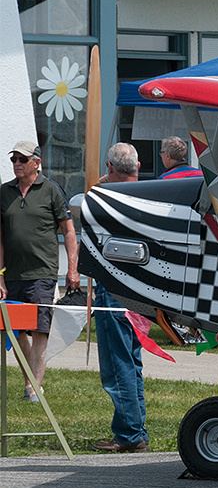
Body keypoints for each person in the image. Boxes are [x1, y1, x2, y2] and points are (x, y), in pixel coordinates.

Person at [0, 140, 80, 401]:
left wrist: (72, 269)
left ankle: (33, 388)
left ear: (37, 162)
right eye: (14, 159)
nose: (17, 164)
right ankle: (30, 382)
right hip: (11, 273)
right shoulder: (4, 192)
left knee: (39, 330)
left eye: (22, 159)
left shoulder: (51, 190)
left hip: (43, 272)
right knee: (17, 332)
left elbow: (69, 230)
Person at [91, 143, 150, 452]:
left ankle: (129, 432)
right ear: (138, 166)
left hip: (114, 286)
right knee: (132, 358)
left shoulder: (107, 198)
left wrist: (101, 185)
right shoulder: (151, 196)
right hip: (142, 289)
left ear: (111, 167)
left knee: (117, 362)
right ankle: (135, 427)